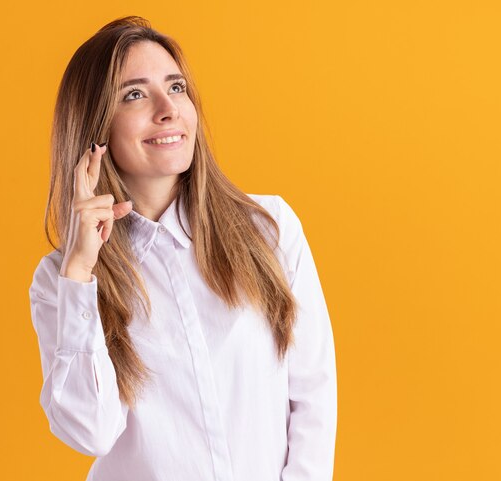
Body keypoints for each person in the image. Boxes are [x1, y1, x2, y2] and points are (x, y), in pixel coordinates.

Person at [28, 15, 337, 481]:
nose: (167, 109)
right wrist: (80, 271)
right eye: (134, 94)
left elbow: (312, 396)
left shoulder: (269, 229)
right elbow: (90, 432)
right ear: (96, 127)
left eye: (176, 88)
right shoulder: (62, 282)